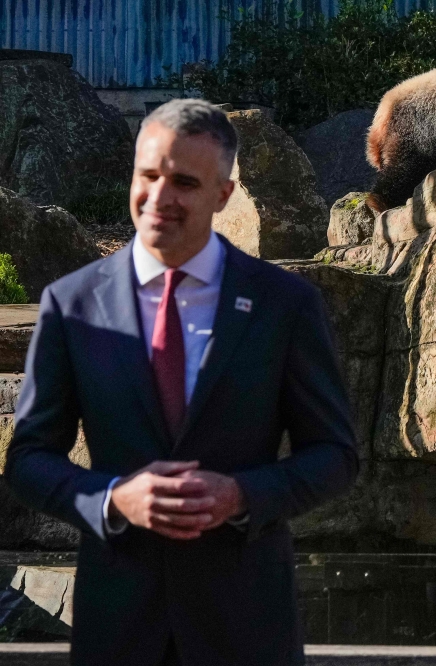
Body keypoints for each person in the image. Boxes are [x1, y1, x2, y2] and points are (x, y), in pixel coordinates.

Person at [6, 99, 359, 666]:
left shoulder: (283, 304)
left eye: (185, 183)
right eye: (149, 175)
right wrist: (112, 499)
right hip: (118, 627)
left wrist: (241, 495)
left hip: (244, 626)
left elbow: (336, 455)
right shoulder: (71, 305)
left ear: (223, 194)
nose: (160, 198)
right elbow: (27, 459)